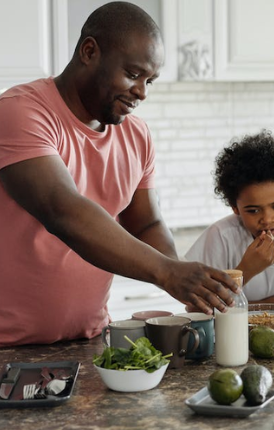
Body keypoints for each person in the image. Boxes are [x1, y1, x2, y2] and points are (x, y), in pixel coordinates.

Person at [0, 2, 236, 348]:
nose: (141, 92)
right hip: (7, 350)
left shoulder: (136, 135)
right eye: (132, 74)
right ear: (89, 51)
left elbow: (146, 225)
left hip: (91, 341)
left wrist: (191, 284)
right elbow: (61, 210)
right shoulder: (20, 112)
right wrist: (167, 273)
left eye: (149, 81)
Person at [185, 130, 274, 307]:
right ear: (234, 206)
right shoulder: (220, 237)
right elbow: (197, 306)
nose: (267, 219)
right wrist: (247, 269)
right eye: (253, 210)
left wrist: (240, 307)